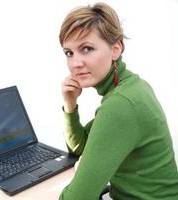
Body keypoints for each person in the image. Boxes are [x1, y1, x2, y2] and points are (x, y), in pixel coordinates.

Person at [59, 2, 178, 200]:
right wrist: (70, 105)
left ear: (115, 49)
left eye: (87, 49)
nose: (75, 63)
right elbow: (80, 147)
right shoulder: (132, 87)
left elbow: (78, 197)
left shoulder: (121, 104)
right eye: (69, 53)